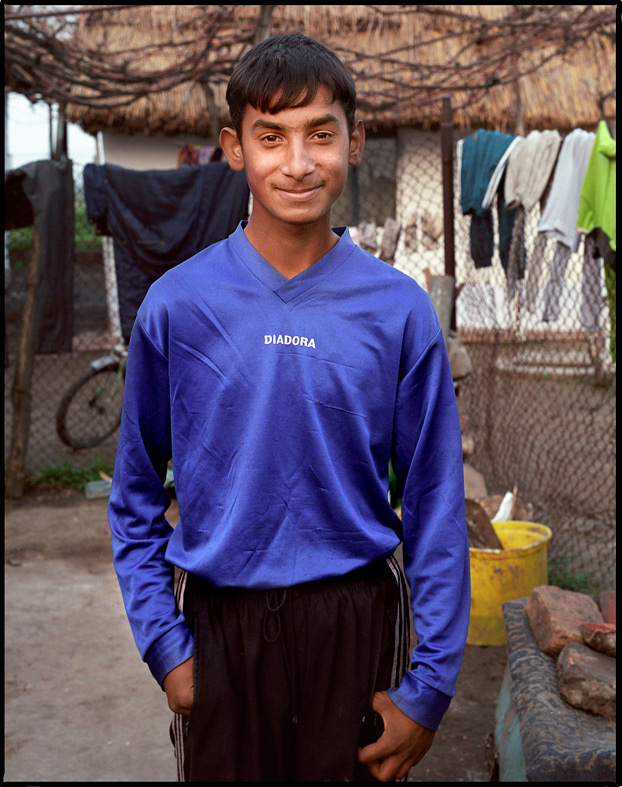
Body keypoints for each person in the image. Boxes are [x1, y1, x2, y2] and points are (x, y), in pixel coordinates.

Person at [108, 32, 470, 782]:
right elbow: (136, 492)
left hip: (358, 622)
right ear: (234, 148)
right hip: (219, 625)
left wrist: (428, 687)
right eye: (271, 136)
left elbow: (436, 505)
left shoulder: (398, 310)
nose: (298, 162)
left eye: (320, 135)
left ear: (356, 142)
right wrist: (166, 645)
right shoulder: (177, 306)